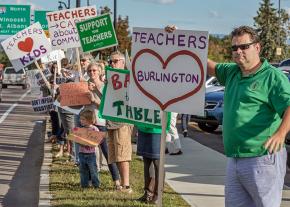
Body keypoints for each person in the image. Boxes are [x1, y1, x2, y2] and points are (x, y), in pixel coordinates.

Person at [206, 26, 290, 207]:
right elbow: (205, 64)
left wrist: (281, 133)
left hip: (262, 158)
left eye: (244, 47)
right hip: (233, 158)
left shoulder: (272, 77)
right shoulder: (232, 72)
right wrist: (179, 38)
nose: (238, 52)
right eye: (234, 48)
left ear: (257, 47)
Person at [85, 62, 121, 189]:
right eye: (89, 71)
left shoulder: (105, 87)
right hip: (89, 124)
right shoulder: (84, 86)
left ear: (100, 72)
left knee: (108, 153)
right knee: (89, 154)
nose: (92, 73)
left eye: (94, 70)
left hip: (102, 124)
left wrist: (94, 100)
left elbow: (107, 106)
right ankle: (90, 181)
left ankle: (117, 181)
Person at [107, 51, 133, 193]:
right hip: (111, 120)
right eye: (110, 61)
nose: (112, 64)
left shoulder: (129, 78)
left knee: (123, 154)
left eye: (115, 61)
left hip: (123, 121)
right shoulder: (110, 78)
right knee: (115, 154)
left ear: (123, 63)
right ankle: (122, 184)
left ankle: (126, 186)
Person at [78, 109, 100, 188]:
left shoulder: (95, 129)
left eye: (83, 119)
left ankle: (96, 185)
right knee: (83, 170)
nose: (81, 121)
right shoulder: (80, 129)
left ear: (90, 120)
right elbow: (77, 140)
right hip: (82, 153)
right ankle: (84, 185)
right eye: (80, 119)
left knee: (93, 170)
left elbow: (97, 141)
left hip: (91, 154)